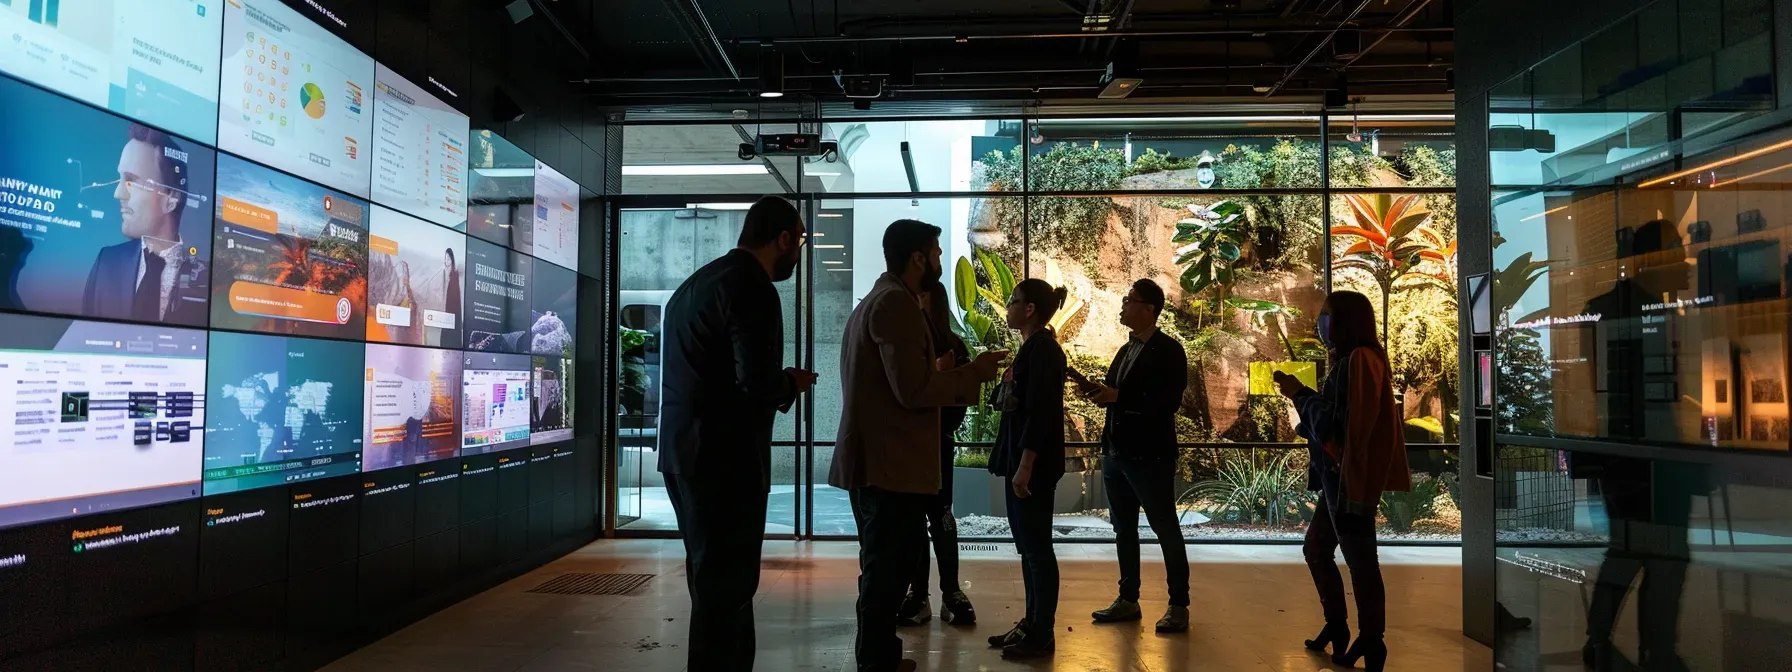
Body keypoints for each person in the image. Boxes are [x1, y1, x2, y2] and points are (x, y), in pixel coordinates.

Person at [829, 220, 1004, 672]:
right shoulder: (896, 305)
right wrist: (971, 375)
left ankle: (879, 653)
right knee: (885, 572)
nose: (942, 261)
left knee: (881, 568)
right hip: (889, 467)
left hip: (879, 463)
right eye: (938, 252)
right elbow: (912, 390)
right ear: (918, 258)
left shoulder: (875, 301)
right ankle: (877, 660)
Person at [657, 196, 817, 672]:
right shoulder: (752, 286)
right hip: (725, 462)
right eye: (800, 240)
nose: (799, 251)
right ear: (783, 238)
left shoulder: (696, 284)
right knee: (727, 590)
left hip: (684, 456)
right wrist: (791, 382)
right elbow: (755, 381)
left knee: (710, 586)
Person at [1275, 290, 1411, 672]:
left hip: (1349, 479)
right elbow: (1342, 419)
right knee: (1317, 549)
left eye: (1327, 314)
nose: (1321, 322)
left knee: (1361, 561)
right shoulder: (1355, 360)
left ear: (1345, 320)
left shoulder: (1359, 360)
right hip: (1337, 477)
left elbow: (1340, 426)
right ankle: (1338, 626)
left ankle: (1373, 640)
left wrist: (1300, 394)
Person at [1079, 278, 1191, 633]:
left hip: (1149, 455)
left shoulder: (1168, 350)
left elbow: (1167, 403)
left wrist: (1116, 398)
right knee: (1123, 528)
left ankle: (1179, 604)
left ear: (1150, 309)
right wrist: (1102, 393)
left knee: (1165, 528)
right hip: (1115, 453)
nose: (1123, 305)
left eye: (1130, 300)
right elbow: (1121, 393)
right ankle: (1128, 598)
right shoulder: (1126, 349)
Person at [985, 278, 1068, 660]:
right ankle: (1032, 622)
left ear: (1030, 309)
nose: (1009, 307)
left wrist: (1026, 465)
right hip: (1022, 462)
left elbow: (1042, 413)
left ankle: (1042, 632)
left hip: (1030, 466)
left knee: (1037, 549)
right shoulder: (1031, 349)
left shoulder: (1043, 351)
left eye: (1014, 301)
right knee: (1028, 548)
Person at [895, 279, 979, 627]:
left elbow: (959, 404)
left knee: (941, 518)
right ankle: (919, 593)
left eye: (921, 296)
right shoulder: (909, 343)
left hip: (937, 444)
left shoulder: (952, 346)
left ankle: (950, 591)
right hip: (911, 445)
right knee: (916, 521)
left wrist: (939, 381)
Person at [83, 123, 208, 325]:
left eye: (131, 181)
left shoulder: (210, 281)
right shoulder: (106, 264)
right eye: (121, 180)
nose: (118, 193)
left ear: (171, 198)